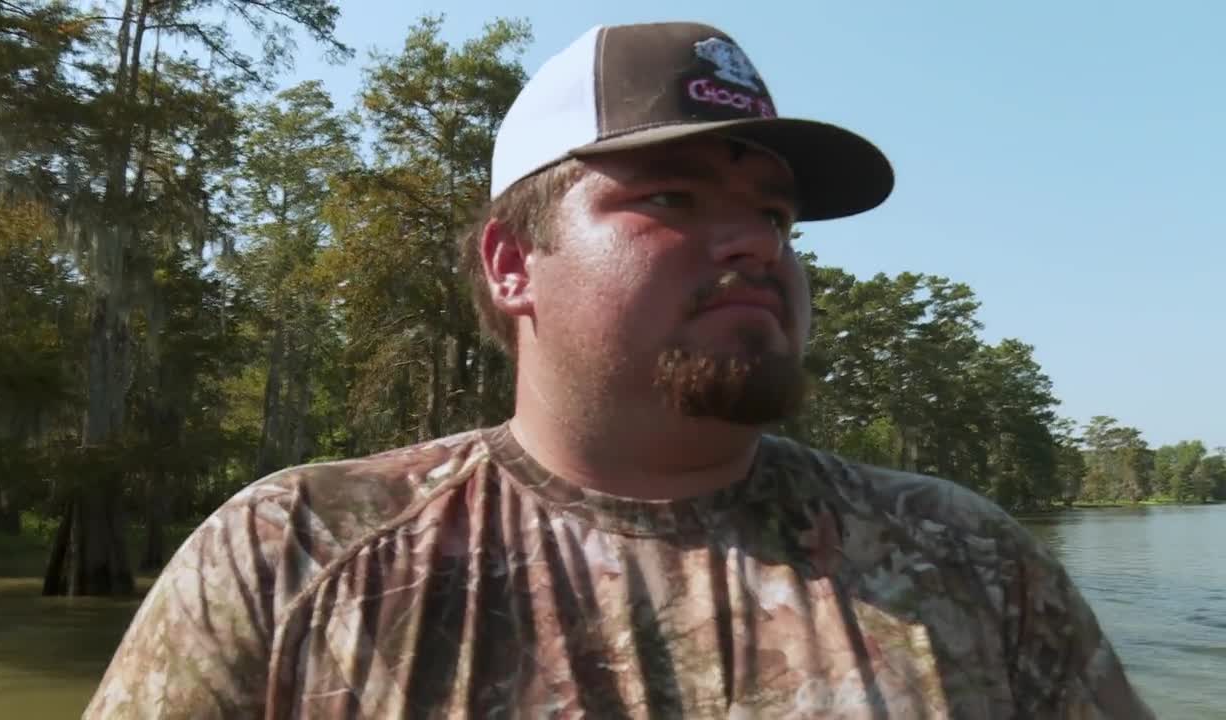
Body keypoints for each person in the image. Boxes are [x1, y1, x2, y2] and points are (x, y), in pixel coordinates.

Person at [85, 21, 1154, 719]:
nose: (757, 246)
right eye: (672, 199)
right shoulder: (295, 554)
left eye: (775, 216)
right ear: (512, 265)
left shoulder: (965, 561)